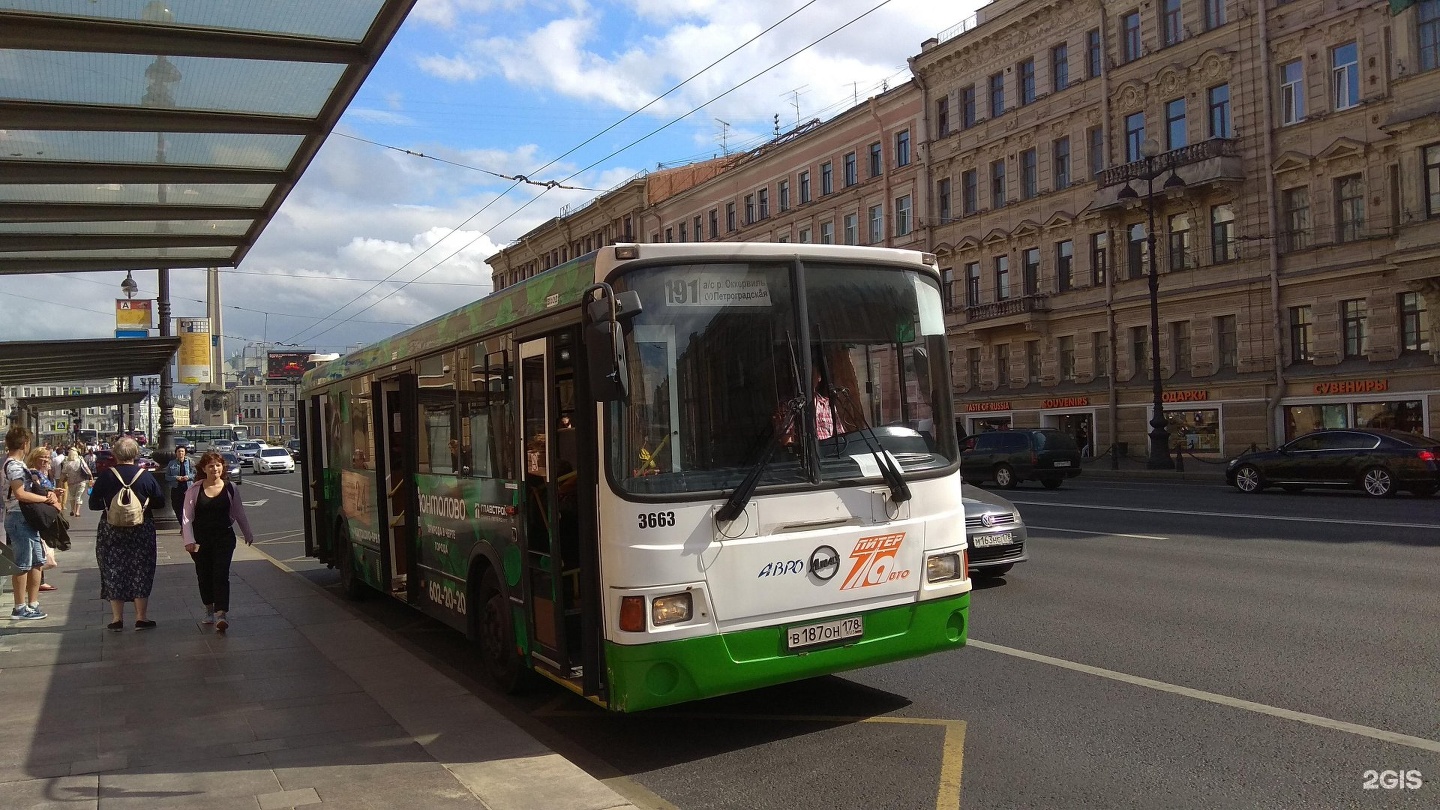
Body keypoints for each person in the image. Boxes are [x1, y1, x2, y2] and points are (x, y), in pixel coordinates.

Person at [89, 437, 166, 631]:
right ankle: (141, 617)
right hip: (141, 529)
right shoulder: (146, 476)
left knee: (113, 568)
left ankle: (117, 619)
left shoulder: (106, 476)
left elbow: (93, 504)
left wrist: (110, 505)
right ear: (136, 454)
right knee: (142, 568)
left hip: (111, 529)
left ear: (115, 454)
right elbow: (160, 502)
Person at [181, 451, 255, 633]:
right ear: (204, 469)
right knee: (204, 574)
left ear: (223, 467)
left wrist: (247, 533)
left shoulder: (230, 488)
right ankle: (208, 609)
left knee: (221, 574)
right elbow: (187, 518)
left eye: (218, 465)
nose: (215, 469)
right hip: (201, 540)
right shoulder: (194, 490)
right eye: (211, 466)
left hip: (224, 538)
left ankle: (221, 614)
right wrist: (189, 540)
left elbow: (239, 513)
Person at [5, 425, 59, 620]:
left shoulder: (20, 465)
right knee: (23, 564)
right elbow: (20, 493)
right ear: (26, 444)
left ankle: (32, 604)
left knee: (37, 561)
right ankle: (19, 607)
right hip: (19, 517)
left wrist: (47, 494)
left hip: (26, 518)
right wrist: (45, 500)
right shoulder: (13, 466)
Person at [25, 448, 62, 593]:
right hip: (39, 513)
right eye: (43, 457)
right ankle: (34, 579)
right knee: (43, 551)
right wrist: (50, 494)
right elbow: (37, 491)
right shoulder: (34, 473)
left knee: (42, 547)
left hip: (45, 511)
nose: (46, 460)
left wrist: (54, 492)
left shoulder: (43, 473)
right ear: (34, 457)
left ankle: (39, 580)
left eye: (47, 457)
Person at [163, 445, 194, 527]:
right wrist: (176, 477)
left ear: (185, 453)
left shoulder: (190, 462)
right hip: (176, 488)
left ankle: (187, 526)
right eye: (179, 451)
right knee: (177, 508)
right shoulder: (171, 463)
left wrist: (188, 477)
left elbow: (195, 474)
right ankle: (182, 525)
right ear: (176, 453)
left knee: (188, 508)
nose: (181, 453)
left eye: (182, 451)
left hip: (187, 488)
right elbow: (167, 477)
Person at [59, 447, 91, 517]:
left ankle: (72, 510)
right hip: (81, 481)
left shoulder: (67, 463)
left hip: (71, 482)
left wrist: (61, 481)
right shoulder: (80, 460)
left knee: (72, 496)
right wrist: (90, 476)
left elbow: (63, 473)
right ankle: (77, 512)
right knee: (78, 496)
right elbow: (86, 468)